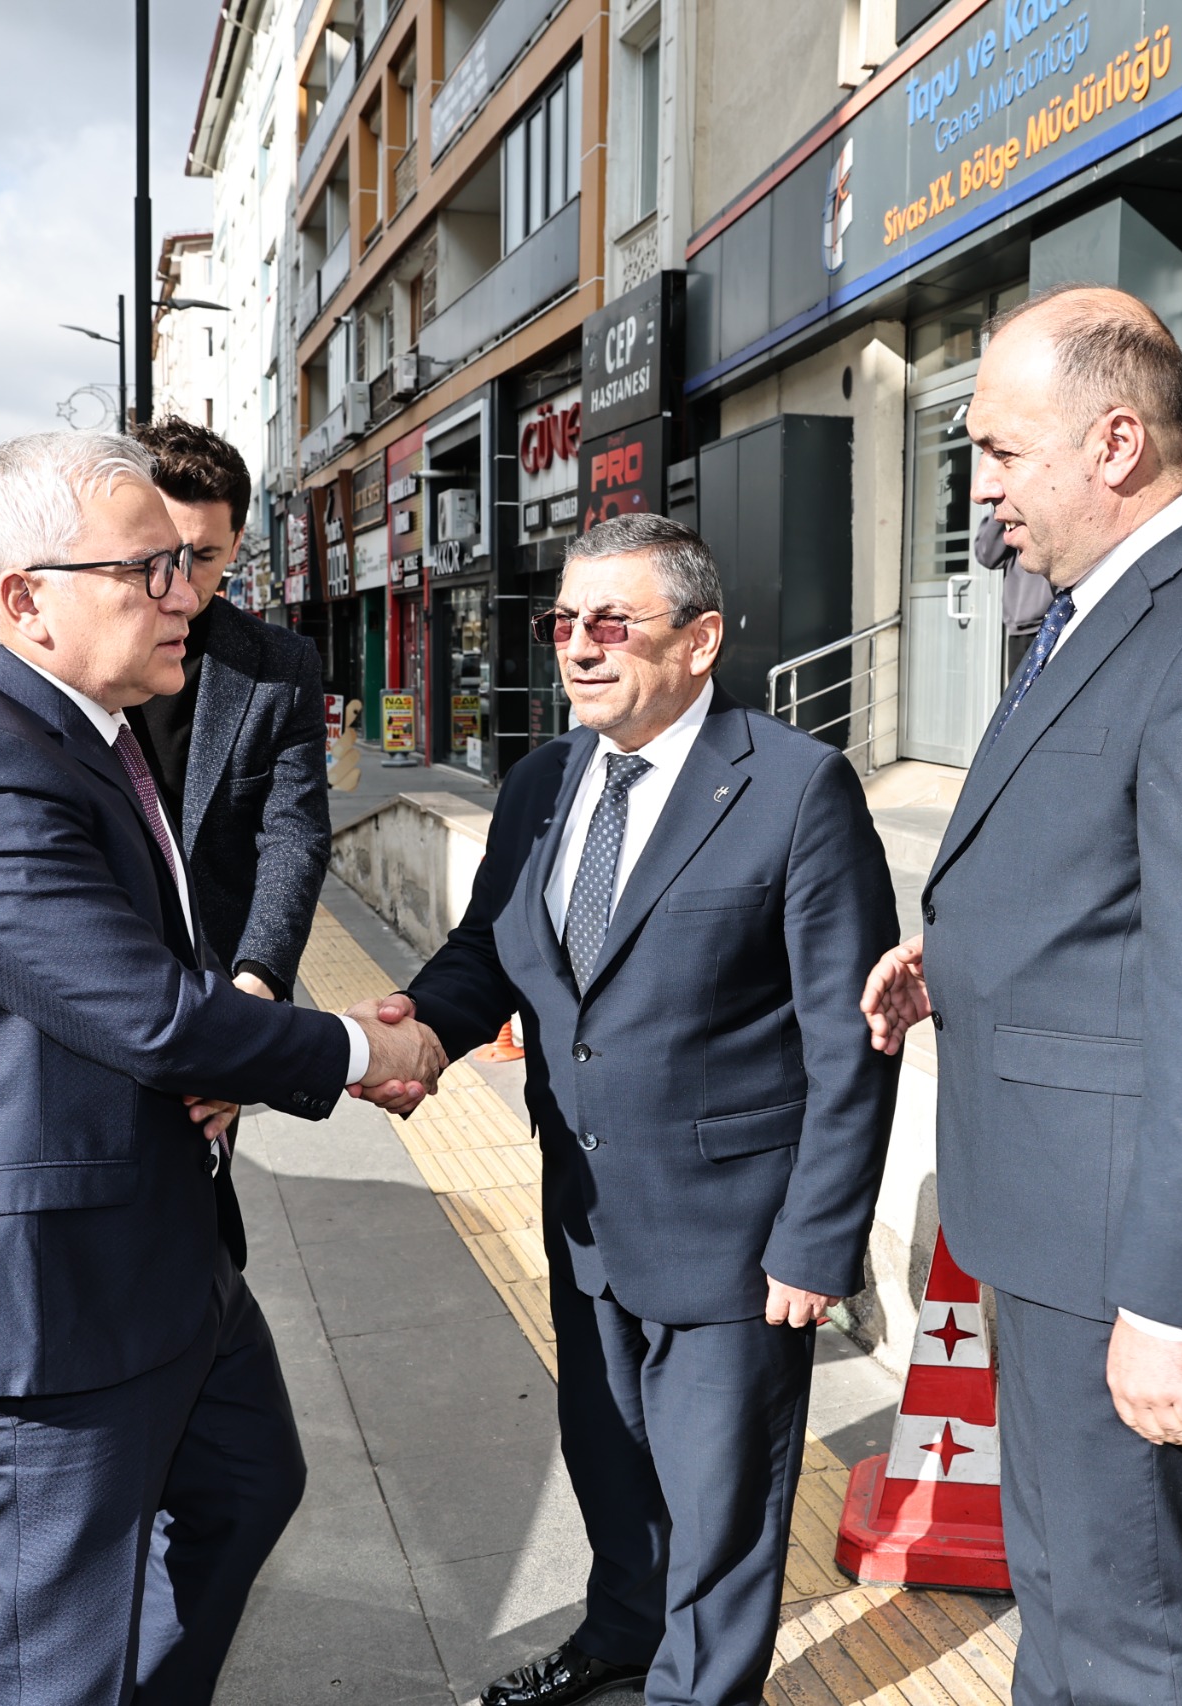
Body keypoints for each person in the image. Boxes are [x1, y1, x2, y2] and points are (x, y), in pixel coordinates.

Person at [0, 431, 446, 1706]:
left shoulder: (77, 732)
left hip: (160, 1250)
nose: (184, 594)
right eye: (147, 570)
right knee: (57, 1660)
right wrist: (360, 1048)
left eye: (188, 563)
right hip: (52, 1303)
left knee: (248, 1485)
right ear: (27, 598)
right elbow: (151, 1014)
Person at [860, 286, 1182, 1706]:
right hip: (1051, 1230)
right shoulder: (1098, 612)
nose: (983, 487)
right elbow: (1111, 890)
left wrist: (1168, 1296)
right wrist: (960, 960)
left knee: (1129, 1631)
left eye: (1003, 452)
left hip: (1120, 1254)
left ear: (1116, 442)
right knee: (1068, 1599)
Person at [362, 514, 900, 1706]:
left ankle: (697, 1690)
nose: (577, 646)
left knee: (722, 1503)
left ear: (700, 639)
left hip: (735, 1233)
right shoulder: (542, 782)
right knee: (607, 1456)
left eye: (611, 621)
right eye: (563, 621)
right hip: (585, 1211)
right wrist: (421, 1029)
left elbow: (851, 1036)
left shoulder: (796, 787)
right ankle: (619, 1635)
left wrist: (817, 1238)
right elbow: (488, 951)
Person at [127, 416, 330, 1002]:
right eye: (162, 556)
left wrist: (259, 976)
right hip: (99, 978)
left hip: (229, 981)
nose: (180, 584)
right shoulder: (76, 657)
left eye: (205, 556)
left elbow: (295, 833)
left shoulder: (281, 665)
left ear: (238, 544)